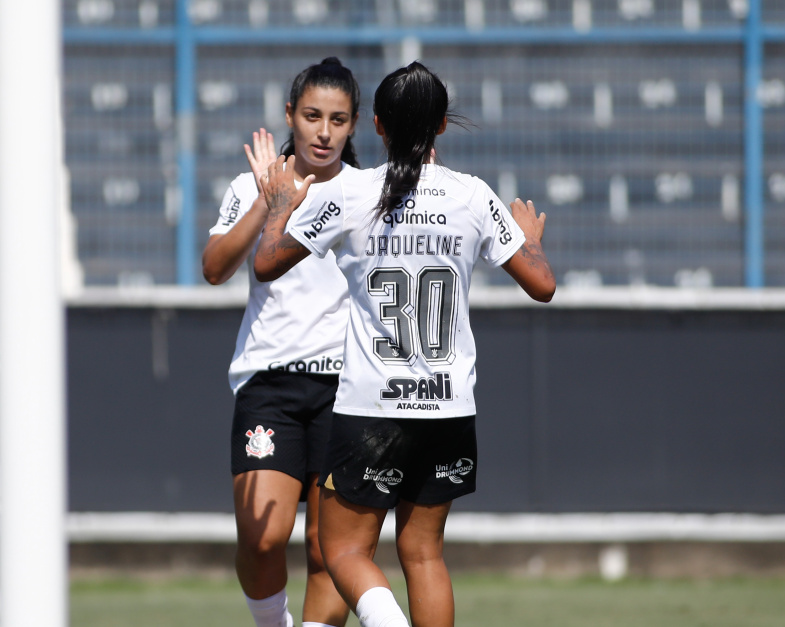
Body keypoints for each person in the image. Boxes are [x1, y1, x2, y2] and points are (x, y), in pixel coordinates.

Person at [252, 61, 555, 627]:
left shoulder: (351, 193)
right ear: (441, 125)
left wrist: (278, 207)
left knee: (343, 552)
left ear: (376, 126)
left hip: (373, 408)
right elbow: (543, 285)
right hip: (448, 407)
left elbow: (266, 263)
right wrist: (531, 242)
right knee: (424, 553)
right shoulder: (473, 196)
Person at [202, 57, 361, 627]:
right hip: (269, 381)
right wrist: (268, 205)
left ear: (354, 125)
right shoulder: (251, 184)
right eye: (313, 116)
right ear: (290, 116)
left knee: (328, 548)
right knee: (263, 536)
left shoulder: (369, 193)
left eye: (338, 120)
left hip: (348, 388)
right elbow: (215, 267)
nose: (324, 131)